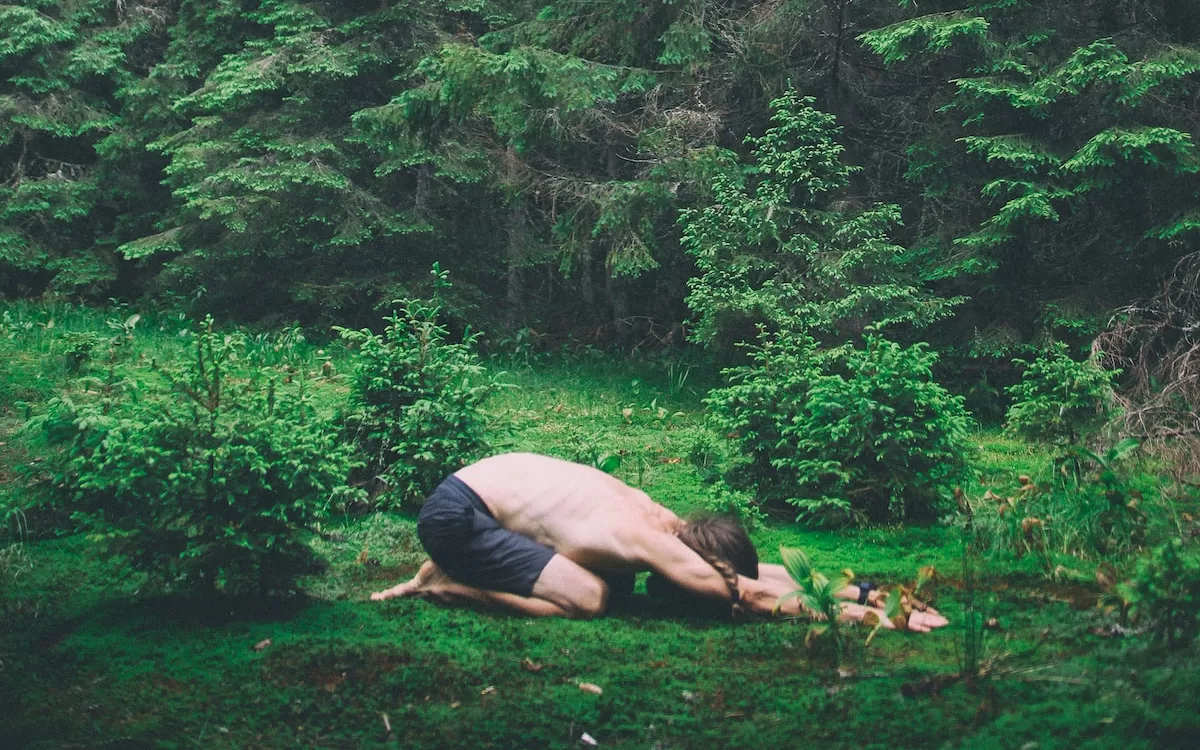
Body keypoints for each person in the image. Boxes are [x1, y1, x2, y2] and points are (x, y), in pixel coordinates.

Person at [370, 453, 947, 632]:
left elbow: (749, 573)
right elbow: (744, 594)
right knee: (592, 597)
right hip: (457, 518)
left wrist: (869, 590)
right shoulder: (642, 536)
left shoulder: (665, 522)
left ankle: (453, 571)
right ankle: (448, 582)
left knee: (610, 586)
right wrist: (876, 619)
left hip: (483, 500)